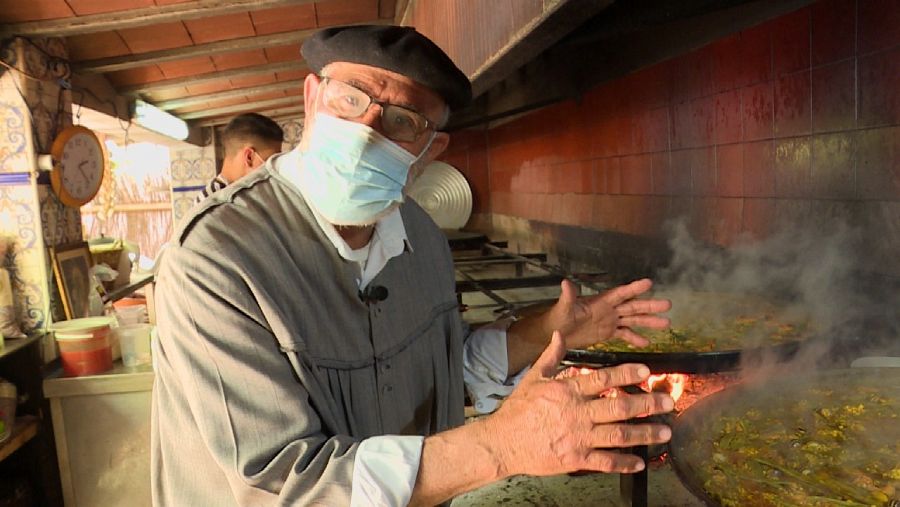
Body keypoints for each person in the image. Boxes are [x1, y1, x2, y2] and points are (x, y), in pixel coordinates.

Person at [152, 25, 674, 507]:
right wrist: (499, 446)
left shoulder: (420, 235)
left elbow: (440, 369)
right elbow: (284, 483)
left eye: (402, 121)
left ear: (430, 149)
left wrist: (548, 330)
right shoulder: (215, 258)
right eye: (350, 99)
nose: (366, 129)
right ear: (312, 98)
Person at [193, 112, 284, 204]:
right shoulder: (210, 203)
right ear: (249, 157)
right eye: (270, 160)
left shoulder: (246, 192)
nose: (273, 168)